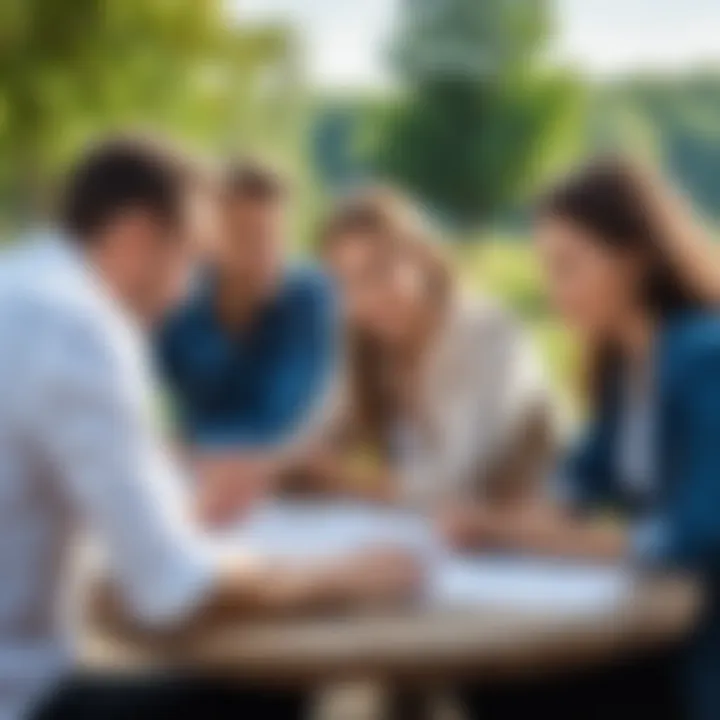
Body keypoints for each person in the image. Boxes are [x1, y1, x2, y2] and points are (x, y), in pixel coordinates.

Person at [0, 137, 420, 720]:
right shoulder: (81, 330)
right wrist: (338, 574)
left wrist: (180, 505)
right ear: (137, 237)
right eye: (192, 259)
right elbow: (173, 587)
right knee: (274, 687)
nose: (186, 293)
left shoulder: (23, 283)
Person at [450, 156, 720, 720]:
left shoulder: (704, 357)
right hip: (665, 629)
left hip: (701, 657)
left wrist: (529, 537)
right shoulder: (627, 362)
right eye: (547, 268)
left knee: (509, 687)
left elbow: (694, 534)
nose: (554, 291)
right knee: (490, 680)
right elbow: (582, 474)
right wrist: (508, 519)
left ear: (636, 259)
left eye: (568, 267)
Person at [305, 189, 555, 512]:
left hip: (524, 541)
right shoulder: (367, 344)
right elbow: (312, 431)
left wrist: (343, 481)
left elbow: (457, 481)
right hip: (436, 536)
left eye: (378, 271)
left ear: (420, 257)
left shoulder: (486, 335)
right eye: (346, 282)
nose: (364, 296)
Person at [157, 159, 338, 524]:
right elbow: (137, 396)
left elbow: (280, 415)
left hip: (288, 490)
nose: (264, 249)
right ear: (206, 236)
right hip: (191, 488)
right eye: (246, 234)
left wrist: (190, 446)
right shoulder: (177, 297)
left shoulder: (308, 296)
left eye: (274, 234)